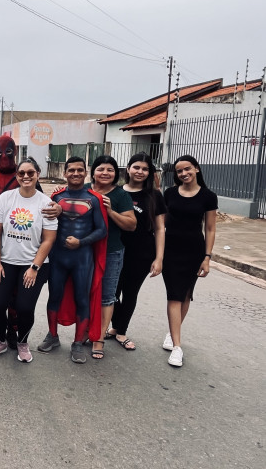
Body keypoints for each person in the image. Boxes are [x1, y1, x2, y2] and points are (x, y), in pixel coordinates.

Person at [0, 158, 57, 362]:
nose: (26, 176)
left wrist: (34, 267)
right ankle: (0, 340)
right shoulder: (5, 199)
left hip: (34, 264)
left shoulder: (45, 203)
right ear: (17, 175)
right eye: (21, 173)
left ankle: (22, 343)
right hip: (6, 262)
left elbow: (48, 239)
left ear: (38, 174)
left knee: (25, 307)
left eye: (30, 173)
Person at [37, 157, 107, 364]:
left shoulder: (94, 199)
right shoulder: (57, 196)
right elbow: (45, 223)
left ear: (86, 173)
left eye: (80, 170)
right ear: (65, 173)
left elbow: (102, 230)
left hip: (82, 258)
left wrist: (81, 242)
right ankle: (53, 336)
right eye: (71, 170)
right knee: (54, 296)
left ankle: (77, 343)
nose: (76, 173)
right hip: (58, 257)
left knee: (82, 299)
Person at [162, 155, 217, 367]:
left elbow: (210, 228)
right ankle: (177, 347)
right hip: (170, 250)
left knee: (185, 294)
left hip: (194, 251)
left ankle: (172, 333)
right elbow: (161, 223)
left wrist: (207, 257)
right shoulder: (169, 193)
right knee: (174, 295)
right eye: (179, 171)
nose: (184, 173)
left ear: (196, 169)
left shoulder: (208, 196)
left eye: (187, 169)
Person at [108, 153, 166, 350]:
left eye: (145, 169)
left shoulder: (154, 196)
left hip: (141, 253)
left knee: (130, 293)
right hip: (114, 251)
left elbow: (160, 229)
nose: (140, 172)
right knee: (111, 293)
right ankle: (116, 326)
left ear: (149, 173)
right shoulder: (116, 192)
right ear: (128, 169)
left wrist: (159, 258)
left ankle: (120, 331)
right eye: (136, 167)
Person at [86, 155, 136, 359]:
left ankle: (99, 338)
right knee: (85, 292)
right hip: (85, 250)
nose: (105, 173)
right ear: (93, 172)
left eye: (110, 170)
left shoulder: (120, 195)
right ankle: (86, 331)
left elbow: (131, 224)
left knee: (107, 296)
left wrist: (110, 211)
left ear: (116, 174)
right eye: (101, 169)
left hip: (111, 251)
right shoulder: (85, 190)